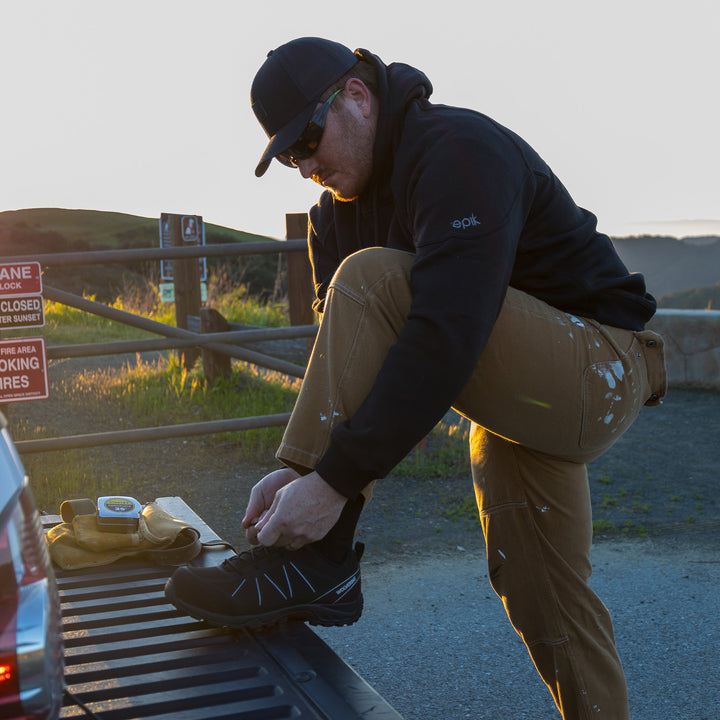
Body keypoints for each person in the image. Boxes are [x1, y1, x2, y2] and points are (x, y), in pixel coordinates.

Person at [165, 37, 667, 719]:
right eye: (288, 154)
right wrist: (302, 477)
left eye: (309, 137)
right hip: (517, 393)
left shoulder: (457, 152)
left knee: (371, 278)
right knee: (544, 598)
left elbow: (445, 331)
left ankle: (319, 560)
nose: (306, 163)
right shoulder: (332, 218)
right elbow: (352, 367)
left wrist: (332, 486)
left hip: (599, 365)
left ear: (359, 97)